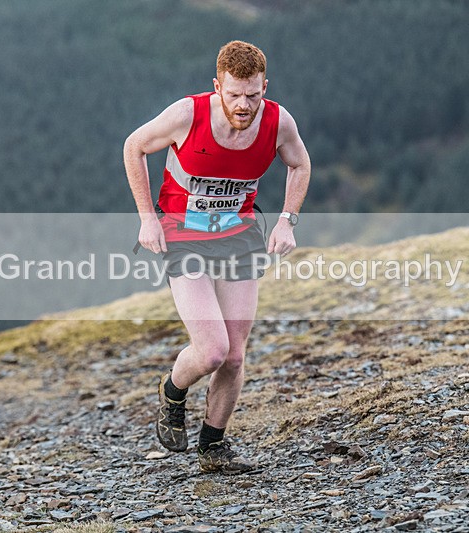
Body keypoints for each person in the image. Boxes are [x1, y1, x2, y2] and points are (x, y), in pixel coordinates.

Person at [123, 40, 310, 474]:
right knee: (211, 351)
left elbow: (300, 165)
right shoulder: (187, 115)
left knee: (235, 355)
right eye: (233, 95)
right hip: (183, 237)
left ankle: (213, 446)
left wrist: (287, 222)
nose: (243, 105)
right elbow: (134, 146)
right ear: (217, 86)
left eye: (253, 95)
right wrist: (147, 218)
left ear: (265, 86)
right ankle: (172, 390)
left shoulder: (279, 122)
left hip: (238, 237)